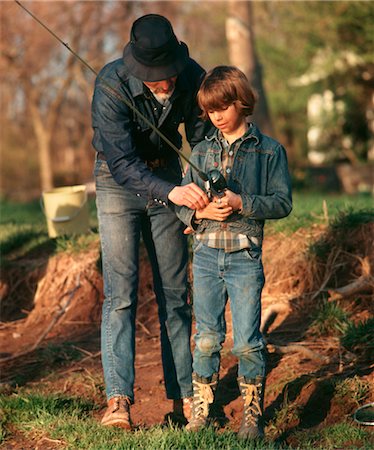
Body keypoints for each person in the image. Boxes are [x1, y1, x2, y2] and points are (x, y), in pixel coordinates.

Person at [91, 14, 213, 430]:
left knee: (175, 296)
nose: (165, 84)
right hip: (116, 182)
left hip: (170, 179)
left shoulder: (193, 76)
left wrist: (194, 192)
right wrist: (170, 192)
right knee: (120, 294)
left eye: (169, 75)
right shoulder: (109, 84)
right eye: (155, 78)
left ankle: (184, 399)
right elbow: (122, 162)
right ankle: (118, 401)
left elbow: (201, 141)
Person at [176, 66, 292, 439]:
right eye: (210, 111)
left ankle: (251, 416)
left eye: (223, 107)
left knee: (246, 340)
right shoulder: (201, 150)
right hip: (207, 256)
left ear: (241, 102)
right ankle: (200, 412)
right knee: (206, 337)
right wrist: (199, 212)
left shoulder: (270, 151)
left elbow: (282, 203)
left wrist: (243, 202)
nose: (217, 116)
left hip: (245, 258)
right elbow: (182, 201)